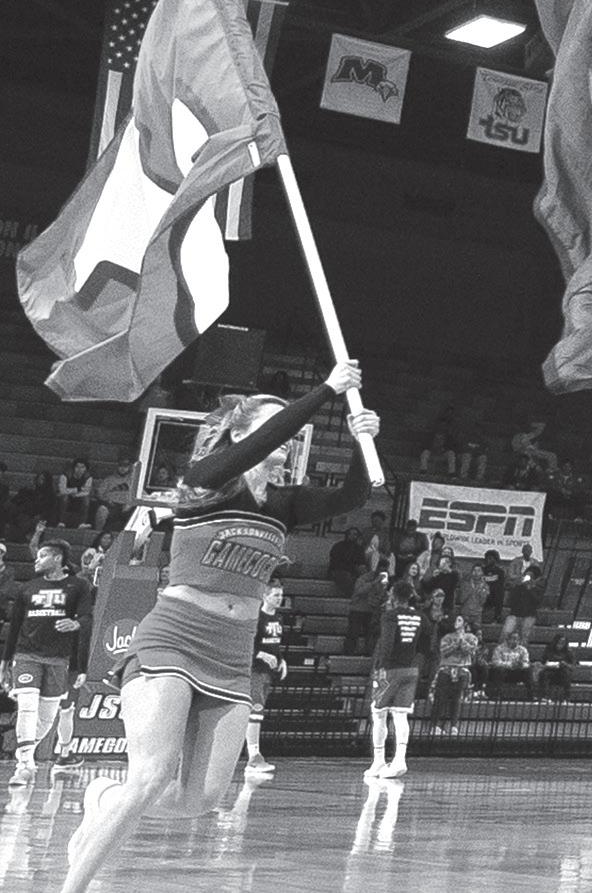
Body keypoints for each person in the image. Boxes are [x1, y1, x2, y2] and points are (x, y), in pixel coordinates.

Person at [58, 362, 378, 893]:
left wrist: (361, 442)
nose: (289, 435)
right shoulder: (203, 482)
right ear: (239, 432)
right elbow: (259, 446)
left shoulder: (285, 503)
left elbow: (350, 497)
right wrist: (326, 389)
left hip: (232, 652)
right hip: (175, 637)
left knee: (198, 800)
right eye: (275, 425)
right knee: (151, 775)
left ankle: (104, 798)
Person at [7, 539, 91, 783]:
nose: (36, 559)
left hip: (58, 659)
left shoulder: (78, 586)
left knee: (47, 718)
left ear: (57, 558)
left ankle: (25, 750)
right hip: (26, 655)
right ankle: (25, 764)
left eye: (42, 555)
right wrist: (5, 661)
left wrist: (76, 623)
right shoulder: (28, 587)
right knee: (27, 706)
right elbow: (14, 627)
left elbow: (87, 618)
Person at [364, 576, 431, 780]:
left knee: (379, 714)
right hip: (411, 669)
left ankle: (378, 761)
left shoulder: (390, 616)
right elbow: (426, 646)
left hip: (389, 670)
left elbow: (386, 644)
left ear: (393, 596)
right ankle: (400, 759)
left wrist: (380, 668)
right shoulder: (421, 617)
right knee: (401, 716)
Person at [242, 580, 291, 778]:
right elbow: (247, 644)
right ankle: (254, 757)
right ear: (265, 596)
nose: (279, 599)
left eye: (281, 595)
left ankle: (254, 756)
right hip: (254, 671)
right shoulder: (256, 617)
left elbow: (275, 644)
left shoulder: (278, 619)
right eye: (275, 595)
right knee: (255, 712)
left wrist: (281, 660)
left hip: (267, 673)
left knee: (258, 713)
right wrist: (261, 655)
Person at [432, 614, 480, 735]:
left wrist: (462, 640)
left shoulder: (471, 637)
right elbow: (444, 651)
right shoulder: (447, 637)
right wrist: (456, 643)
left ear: (464, 623)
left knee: (457, 698)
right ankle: (436, 725)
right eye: (455, 620)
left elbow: (470, 651)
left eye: (459, 620)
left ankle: (453, 725)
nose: (456, 622)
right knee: (441, 697)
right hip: (446, 667)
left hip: (462, 668)